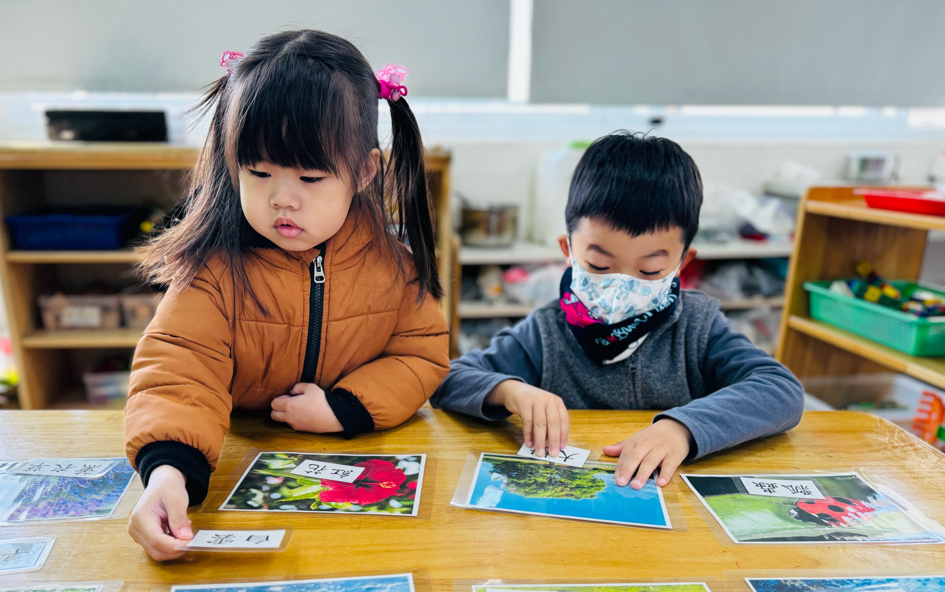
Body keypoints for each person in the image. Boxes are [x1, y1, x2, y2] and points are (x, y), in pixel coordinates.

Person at [125, 30, 449, 561]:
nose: (282, 198)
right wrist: (168, 472)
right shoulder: (213, 269)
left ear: (364, 172)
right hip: (239, 459)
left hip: (358, 463)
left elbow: (422, 355)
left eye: (311, 177)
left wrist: (344, 408)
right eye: (258, 172)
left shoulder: (393, 266)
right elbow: (180, 371)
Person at [432, 131, 803, 491]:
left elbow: (780, 390)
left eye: (650, 271)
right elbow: (449, 378)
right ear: (568, 250)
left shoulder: (698, 328)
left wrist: (682, 429)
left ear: (682, 263)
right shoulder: (545, 331)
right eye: (599, 265)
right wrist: (511, 391)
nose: (620, 286)